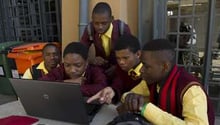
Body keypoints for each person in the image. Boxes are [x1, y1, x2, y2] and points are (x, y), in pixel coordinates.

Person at [122, 39, 215, 125]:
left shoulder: (191, 90)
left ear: (165, 67)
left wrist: (146, 109)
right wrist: (129, 97)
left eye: (146, 66)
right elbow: (127, 95)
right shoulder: (153, 80)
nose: (141, 70)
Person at [87, 34, 143, 104]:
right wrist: (112, 90)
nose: (121, 62)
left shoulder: (147, 71)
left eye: (125, 58)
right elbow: (118, 84)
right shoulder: (120, 68)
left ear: (138, 54)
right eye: (118, 58)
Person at [80, 2, 131, 79]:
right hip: (101, 69)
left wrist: (117, 67)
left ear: (111, 19)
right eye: (96, 23)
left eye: (104, 23)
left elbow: (130, 54)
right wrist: (92, 60)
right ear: (92, 20)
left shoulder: (122, 29)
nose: (100, 27)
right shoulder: (90, 29)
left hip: (121, 69)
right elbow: (81, 51)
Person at [39, 42, 107, 97]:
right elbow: (41, 84)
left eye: (78, 65)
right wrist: (69, 82)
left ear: (86, 63)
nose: (72, 70)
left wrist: (72, 88)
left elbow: (101, 87)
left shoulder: (95, 71)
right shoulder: (60, 69)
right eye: (67, 65)